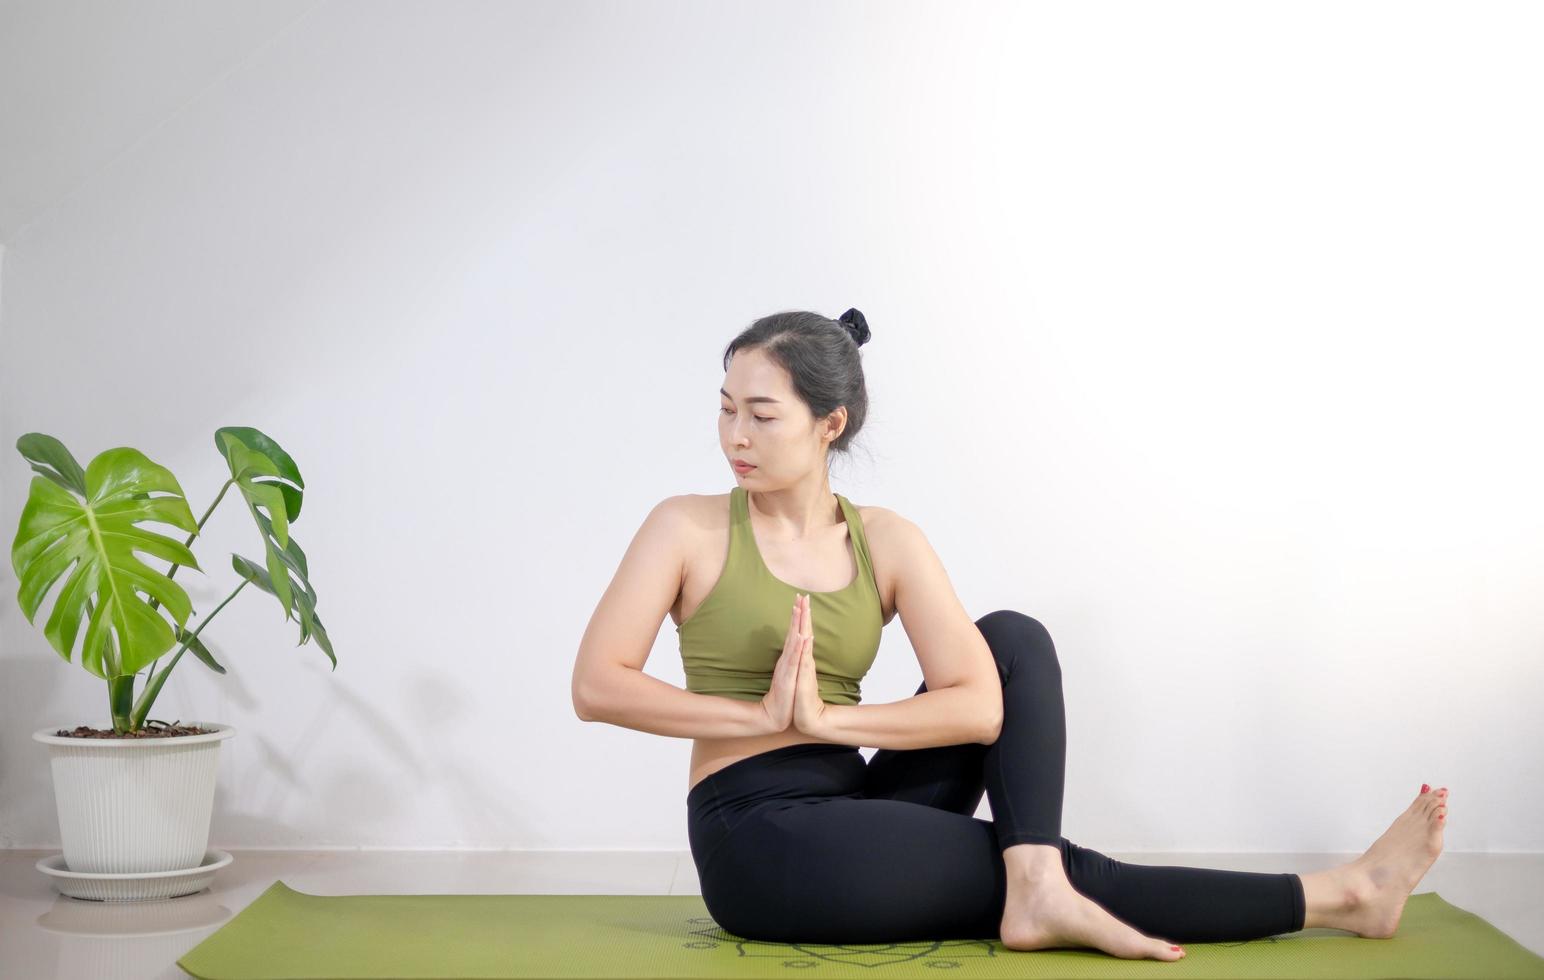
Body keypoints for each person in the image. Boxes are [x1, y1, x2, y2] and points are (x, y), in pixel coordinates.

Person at [571, 308, 1449, 960]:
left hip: (856, 802)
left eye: (761, 415)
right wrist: (766, 719)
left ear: (828, 424)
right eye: (726, 409)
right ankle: (1345, 896)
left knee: (1013, 638)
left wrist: (833, 723)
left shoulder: (888, 540)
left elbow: (984, 707)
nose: (736, 436)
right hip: (758, 835)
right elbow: (597, 684)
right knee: (1057, 866)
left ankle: (1034, 884)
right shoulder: (686, 527)